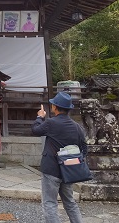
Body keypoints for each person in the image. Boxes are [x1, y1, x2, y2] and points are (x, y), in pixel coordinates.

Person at [32, 92, 87, 223]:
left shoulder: (51, 123)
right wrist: (74, 162)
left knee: (50, 203)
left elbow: (35, 130)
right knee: (70, 202)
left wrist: (40, 117)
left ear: (55, 107)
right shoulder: (77, 127)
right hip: (68, 171)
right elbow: (84, 149)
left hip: (51, 169)